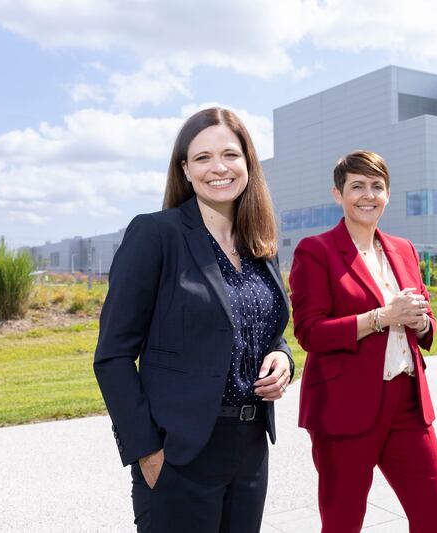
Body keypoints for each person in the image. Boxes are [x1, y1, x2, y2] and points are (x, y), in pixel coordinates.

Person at [94, 107, 294, 532]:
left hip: (250, 447)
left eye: (230, 155)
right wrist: (147, 452)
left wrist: (282, 357)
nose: (218, 168)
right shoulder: (155, 235)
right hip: (179, 451)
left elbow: (267, 331)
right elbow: (112, 355)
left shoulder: (262, 244)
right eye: (202, 158)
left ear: (248, 163)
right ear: (184, 170)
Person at [289, 150, 437, 533]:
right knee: (343, 523)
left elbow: (427, 321)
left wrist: (419, 322)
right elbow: (310, 333)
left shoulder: (404, 249)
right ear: (338, 194)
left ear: (388, 194)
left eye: (377, 187)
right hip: (345, 408)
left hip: (407, 405)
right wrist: (381, 317)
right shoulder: (316, 251)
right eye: (357, 186)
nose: (368, 195)